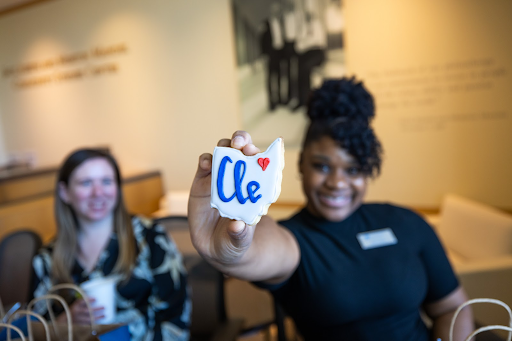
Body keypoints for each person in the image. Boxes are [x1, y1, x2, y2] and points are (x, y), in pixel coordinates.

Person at [188, 77, 474, 340]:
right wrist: (233, 253)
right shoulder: (294, 240)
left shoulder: (407, 223)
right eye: (322, 166)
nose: (337, 182)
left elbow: (451, 308)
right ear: (300, 165)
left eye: (353, 169)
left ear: (368, 173)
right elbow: (263, 247)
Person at [30, 149, 190, 341]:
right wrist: (64, 321)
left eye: (106, 181)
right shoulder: (46, 259)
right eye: (86, 183)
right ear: (65, 193)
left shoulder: (151, 238)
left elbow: (177, 320)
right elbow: (33, 330)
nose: (98, 193)